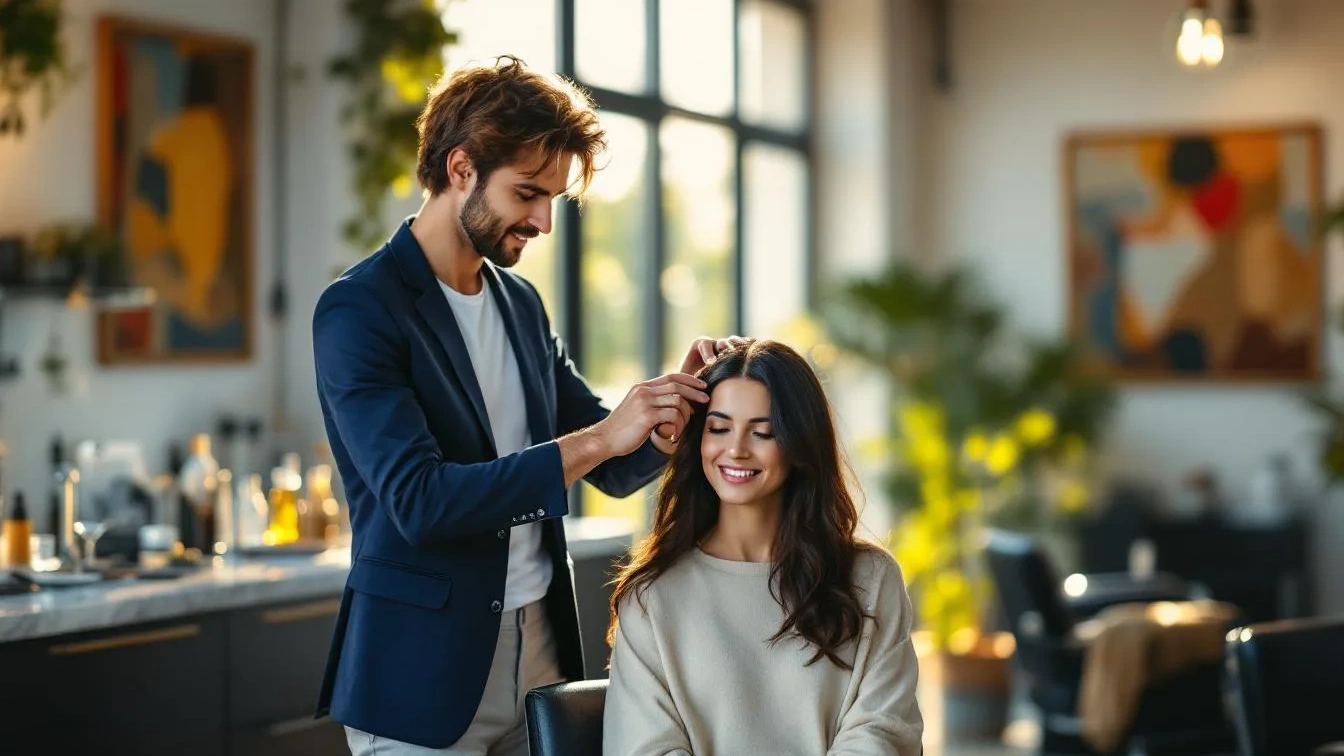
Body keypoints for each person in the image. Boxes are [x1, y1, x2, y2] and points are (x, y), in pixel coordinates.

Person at [312, 55, 743, 755]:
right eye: (527, 193)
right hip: (419, 676)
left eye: (553, 199)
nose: (543, 220)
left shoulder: (519, 303)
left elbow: (609, 464)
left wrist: (674, 409)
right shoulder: (360, 309)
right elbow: (421, 502)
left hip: (541, 653)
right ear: (460, 169)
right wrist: (601, 438)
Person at [603, 339, 924, 755]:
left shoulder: (871, 578)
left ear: (799, 444)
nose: (736, 449)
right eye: (719, 428)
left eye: (763, 432)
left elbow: (883, 731)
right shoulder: (651, 598)